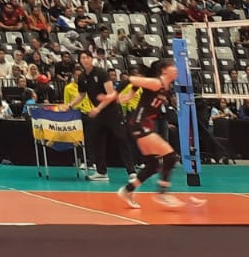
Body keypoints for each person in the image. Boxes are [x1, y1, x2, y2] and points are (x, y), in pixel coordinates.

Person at [115, 57, 182, 210]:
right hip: (139, 124)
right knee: (171, 156)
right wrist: (116, 95)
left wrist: (131, 93)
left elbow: (140, 87)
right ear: (164, 70)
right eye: (173, 66)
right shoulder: (156, 83)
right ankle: (163, 193)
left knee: (153, 165)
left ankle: (127, 190)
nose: (176, 69)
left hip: (143, 125)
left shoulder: (166, 87)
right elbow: (130, 79)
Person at [65, 50, 118, 182]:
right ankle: (101, 172)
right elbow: (82, 95)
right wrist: (70, 105)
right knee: (96, 140)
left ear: (91, 59)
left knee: (122, 139)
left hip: (112, 110)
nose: (85, 60)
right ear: (80, 61)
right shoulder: (82, 77)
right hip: (98, 113)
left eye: (87, 57)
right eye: (82, 58)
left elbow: (111, 94)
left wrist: (99, 107)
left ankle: (132, 172)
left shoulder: (101, 73)